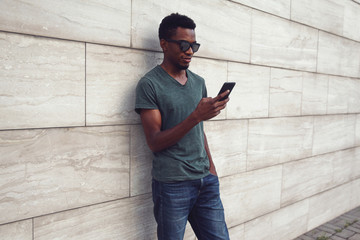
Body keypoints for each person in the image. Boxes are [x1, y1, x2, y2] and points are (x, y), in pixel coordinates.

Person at [135, 13, 230, 240]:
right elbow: (155, 142)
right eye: (184, 45)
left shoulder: (198, 82)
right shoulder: (149, 85)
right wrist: (196, 116)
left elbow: (199, 132)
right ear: (164, 44)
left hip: (205, 181)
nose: (190, 51)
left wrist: (212, 169)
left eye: (194, 46)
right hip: (172, 185)